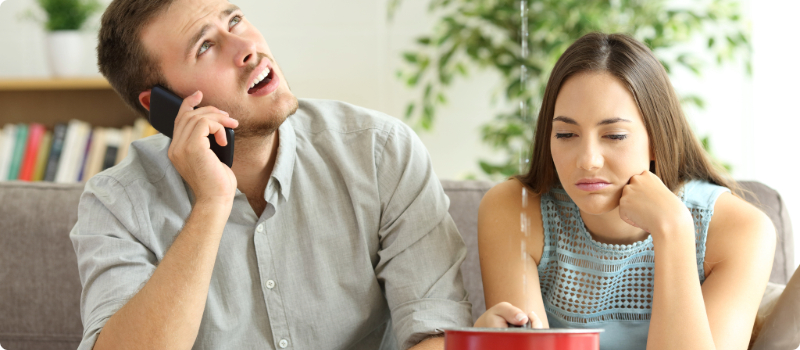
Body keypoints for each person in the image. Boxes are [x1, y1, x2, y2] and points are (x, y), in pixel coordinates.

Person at [69, 0, 473, 349]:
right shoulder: (116, 203)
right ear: (162, 104)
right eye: (205, 46)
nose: (248, 48)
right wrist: (212, 204)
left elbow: (437, 330)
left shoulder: (379, 151)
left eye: (235, 21)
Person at [472, 33, 776, 350]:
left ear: (657, 139)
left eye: (614, 135)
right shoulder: (515, 209)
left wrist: (672, 230)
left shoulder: (742, 231)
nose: (587, 160)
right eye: (565, 134)